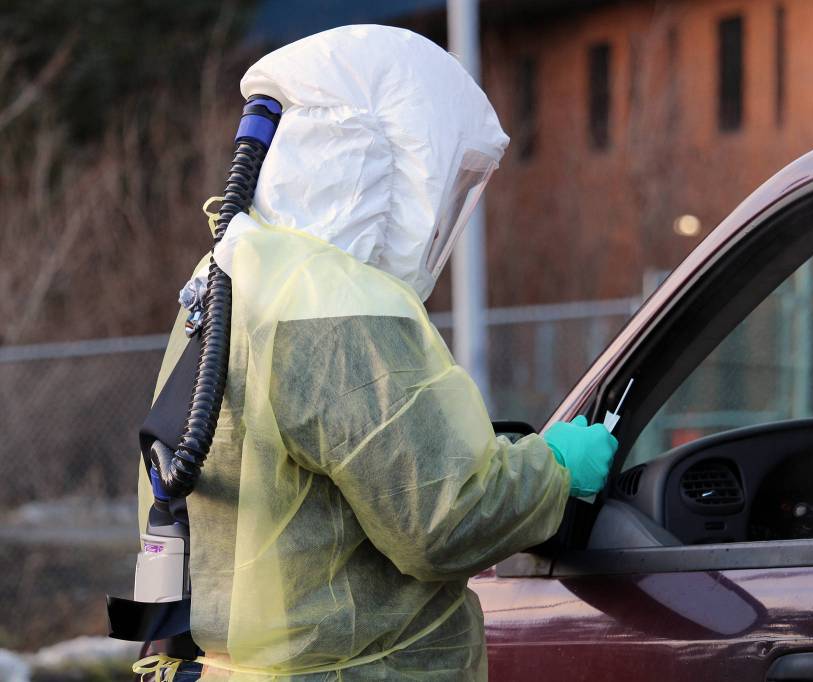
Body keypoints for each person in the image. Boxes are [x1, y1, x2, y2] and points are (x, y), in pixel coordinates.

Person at [139, 25, 617, 680]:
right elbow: (441, 519)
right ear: (388, 164)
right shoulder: (333, 306)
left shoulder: (228, 279)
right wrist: (555, 469)